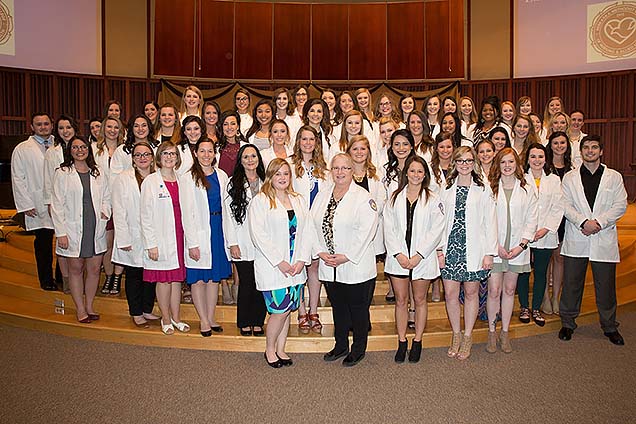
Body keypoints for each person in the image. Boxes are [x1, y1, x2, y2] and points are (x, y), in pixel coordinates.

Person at [558, 135, 627, 346]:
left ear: (601, 151)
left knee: (605, 285)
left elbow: (621, 204)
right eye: (586, 147)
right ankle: (568, 323)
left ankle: (609, 326)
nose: (590, 151)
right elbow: (565, 204)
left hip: (602, 235)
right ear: (581, 151)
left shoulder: (613, 177)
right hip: (577, 234)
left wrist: (598, 222)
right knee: (571, 284)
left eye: (594, 147)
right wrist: (582, 222)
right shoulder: (570, 177)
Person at [312, 153, 378, 367]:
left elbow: (367, 230)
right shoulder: (323, 195)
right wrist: (320, 252)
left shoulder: (363, 197)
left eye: (345, 168)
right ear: (331, 171)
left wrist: (346, 256)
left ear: (353, 171)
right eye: (336, 168)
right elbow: (311, 226)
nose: (340, 172)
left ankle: (358, 349)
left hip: (354, 265)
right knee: (338, 308)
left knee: (358, 310)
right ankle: (340, 345)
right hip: (329, 264)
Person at [248, 158, 314, 368]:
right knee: (279, 310)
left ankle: (281, 348)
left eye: (286, 173)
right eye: (278, 174)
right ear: (270, 176)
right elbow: (258, 235)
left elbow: (307, 232)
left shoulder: (298, 199)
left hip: (296, 266)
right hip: (274, 267)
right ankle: (269, 349)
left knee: (289, 310)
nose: (282, 178)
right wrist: (280, 262)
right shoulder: (260, 200)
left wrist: (302, 260)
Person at [384, 155, 445, 363]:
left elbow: (437, 230)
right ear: (406, 173)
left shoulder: (433, 199)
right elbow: (389, 229)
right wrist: (399, 254)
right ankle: (402, 341)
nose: (416, 175)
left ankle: (417, 340)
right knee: (401, 301)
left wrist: (419, 254)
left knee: (420, 300)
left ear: (425, 174)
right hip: (399, 258)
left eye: (420, 171)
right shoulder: (394, 198)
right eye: (412, 171)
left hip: (422, 258)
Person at [440, 146, 497, 360]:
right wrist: (438, 249)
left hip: (474, 249)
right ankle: (456, 334)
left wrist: (489, 253)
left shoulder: (483, 188)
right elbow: (438, 221)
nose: (464, 165)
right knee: (451, 295)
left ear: (474, 164)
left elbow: (491, 222)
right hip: (450, 248)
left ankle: (468, 335)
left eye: (469, 161)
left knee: (472, 294)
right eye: (460, 161)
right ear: (454, 163)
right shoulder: (445, 188)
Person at [51, 136, 111, 322]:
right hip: (72, 227)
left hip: (94, 225)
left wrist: (104, 211)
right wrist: (60, 232)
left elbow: (107, 196)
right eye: (75, 147)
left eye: (83, 147)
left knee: (94, 268)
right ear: (70, 150)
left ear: (88, 149)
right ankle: (79, 308)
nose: (80, 150)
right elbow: (56, 204)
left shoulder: (98, 172)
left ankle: (90, 305)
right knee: (76, 268)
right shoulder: (63, 172)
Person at [487, 147, 538, 353]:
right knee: (494, 291)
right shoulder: (490, 188)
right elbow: (485, 221)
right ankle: (492, 333)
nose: (507, 166)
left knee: (509, 291)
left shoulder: (526, 188)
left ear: (517, 164)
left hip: (517, 249)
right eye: (503, 162)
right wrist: (495, 246)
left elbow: (532, 218)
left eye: (510, 162)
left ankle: (505, 333)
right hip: (496, 248)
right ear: (497, 165)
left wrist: (522, 245)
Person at [180, 138, 231, 336]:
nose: (207, 155)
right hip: (199, 231)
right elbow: (187, 212)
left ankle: (211, 317)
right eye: (203, 151)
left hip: (218, 229)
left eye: (210, 151)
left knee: (213, 279)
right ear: (195, 153)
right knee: (199, 279)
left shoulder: (222, 175)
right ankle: (202, 319)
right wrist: (192, 243)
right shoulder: (187, 178)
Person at [140, 141, 189, 335]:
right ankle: (166, 319)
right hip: (160, 238)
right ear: (159, 157)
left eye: (173, 154)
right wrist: (151, 244)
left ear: (177, 158)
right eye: (165, 154)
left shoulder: (182, 180)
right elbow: (145, 215)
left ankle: (176, 318)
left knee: (176, 280)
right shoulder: (151, 181)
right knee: (164, 280)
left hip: (179, 235)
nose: (169, 157)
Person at [112, 142, 159, 327]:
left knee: (151, 274)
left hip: (153, 235)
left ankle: (147, 309)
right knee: (134, 275)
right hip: (132, 235)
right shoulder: (124, 178)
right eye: (138, 155)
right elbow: (119, 208)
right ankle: (136, 311)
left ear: (152, 157)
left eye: (146, 154)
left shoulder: (157, 177)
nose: (143, 158)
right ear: (132, 159)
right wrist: (123, 238)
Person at [516, 143, 563, 326]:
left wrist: (545, 229)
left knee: (541, 273)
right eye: (533, 156)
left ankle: (536, 308)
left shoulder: (554, 180)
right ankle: (524, 307)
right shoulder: (520, 179)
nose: (537, 160)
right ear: (527, 159)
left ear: (546, 159)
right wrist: (528, 232)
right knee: (523, 272)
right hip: (524, 235)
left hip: (545, 234)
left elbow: (558, 207)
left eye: (540, 156)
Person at [290, 126, 330, 333]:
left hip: (317, 225)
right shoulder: (290, 164)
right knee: (300, 269)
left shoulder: (323, 167)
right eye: (303, 139)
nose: (307, 142)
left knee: (314, 268)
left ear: (316, 142)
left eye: (311, 139)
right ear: (298, 141)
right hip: (298, 224)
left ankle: (314, 311)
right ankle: (301, 310)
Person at [11, 113, 57, 291]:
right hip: (37, 203)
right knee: (44, 243)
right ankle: (46, 280)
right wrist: (25, 204)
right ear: (32, 127)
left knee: (65, 244)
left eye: (46, 123)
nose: (43, 127)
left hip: (60, 201)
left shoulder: (60, 145)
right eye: (39, 124)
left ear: (52, 125)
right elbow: (18, 178)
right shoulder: (23, 149)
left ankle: (62, 277)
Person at [225, 144, 267, 336]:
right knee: (247, 282)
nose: (250, 160)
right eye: (246, 157)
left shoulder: (267, 181)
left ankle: (258, 320)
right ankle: (244, 320)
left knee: (261, 281)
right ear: (240, 161)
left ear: (258, 159)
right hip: (242, 241)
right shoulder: (232, 183)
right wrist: (232, 243)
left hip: (265, 243)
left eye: (253, 156)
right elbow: (228, 216)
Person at [43, 115, 80, 293]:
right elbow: (48, 180)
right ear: (56, 131)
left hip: (78, 202)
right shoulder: (52, 152)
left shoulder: (82, 147)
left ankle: (76, 280)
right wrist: (49, 203)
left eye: (68, 127)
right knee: (62, 242)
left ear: (74, 128)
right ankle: (65, 281)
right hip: (59, 202)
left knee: (76, 244)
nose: (65, 131)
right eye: (61, 128)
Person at [94, 116, 126, 295]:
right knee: (106, 241)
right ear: (103, 129)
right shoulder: (94, 150)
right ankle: (108, 275)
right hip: (102, 200)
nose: (112, 130)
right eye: (109, 127)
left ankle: (117, 277)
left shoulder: (124, 150)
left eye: (116, 127)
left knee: (120, 241)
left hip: (121, 199)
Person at [217, 111, 247, 177]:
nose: (229, 127)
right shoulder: (215, 148)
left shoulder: (246, 147)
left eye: (233, 124)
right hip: (222, 186)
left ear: (238, 126)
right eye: (225, 124)